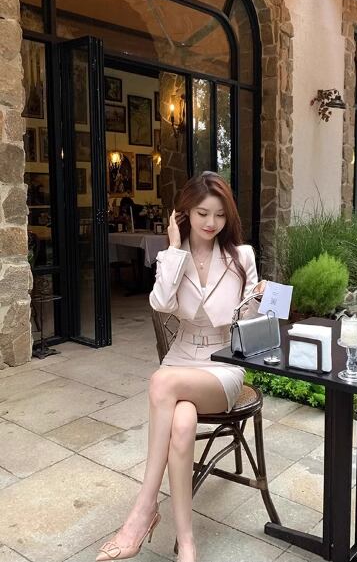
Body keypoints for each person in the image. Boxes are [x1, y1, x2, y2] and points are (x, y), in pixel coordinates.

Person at [96, 172, 266, 562]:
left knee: (161, 383)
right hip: (182, 357)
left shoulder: (242, 257)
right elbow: (161, 304)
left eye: (220, 214)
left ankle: (143, 510)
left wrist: (260, 299)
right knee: (183, 423)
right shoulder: (174, 256)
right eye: (203, 213)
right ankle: (187, 543)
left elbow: (250, 325)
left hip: (223, 365)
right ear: (184, 212)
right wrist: (173, 249)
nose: (211, 222)